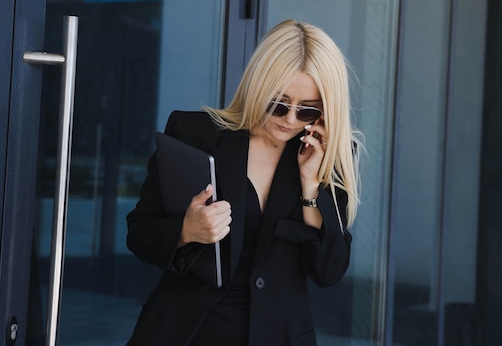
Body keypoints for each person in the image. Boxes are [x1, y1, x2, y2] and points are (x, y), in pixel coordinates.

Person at [125, 19, 362, 346]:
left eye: (307, 111)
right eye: (277, 104)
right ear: (258, 86)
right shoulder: (194, 134)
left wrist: (312, 187)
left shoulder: (329, 155)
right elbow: (139, 234)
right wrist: (186, 230)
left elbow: (328, 271)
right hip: (186, 334)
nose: (290, 120)